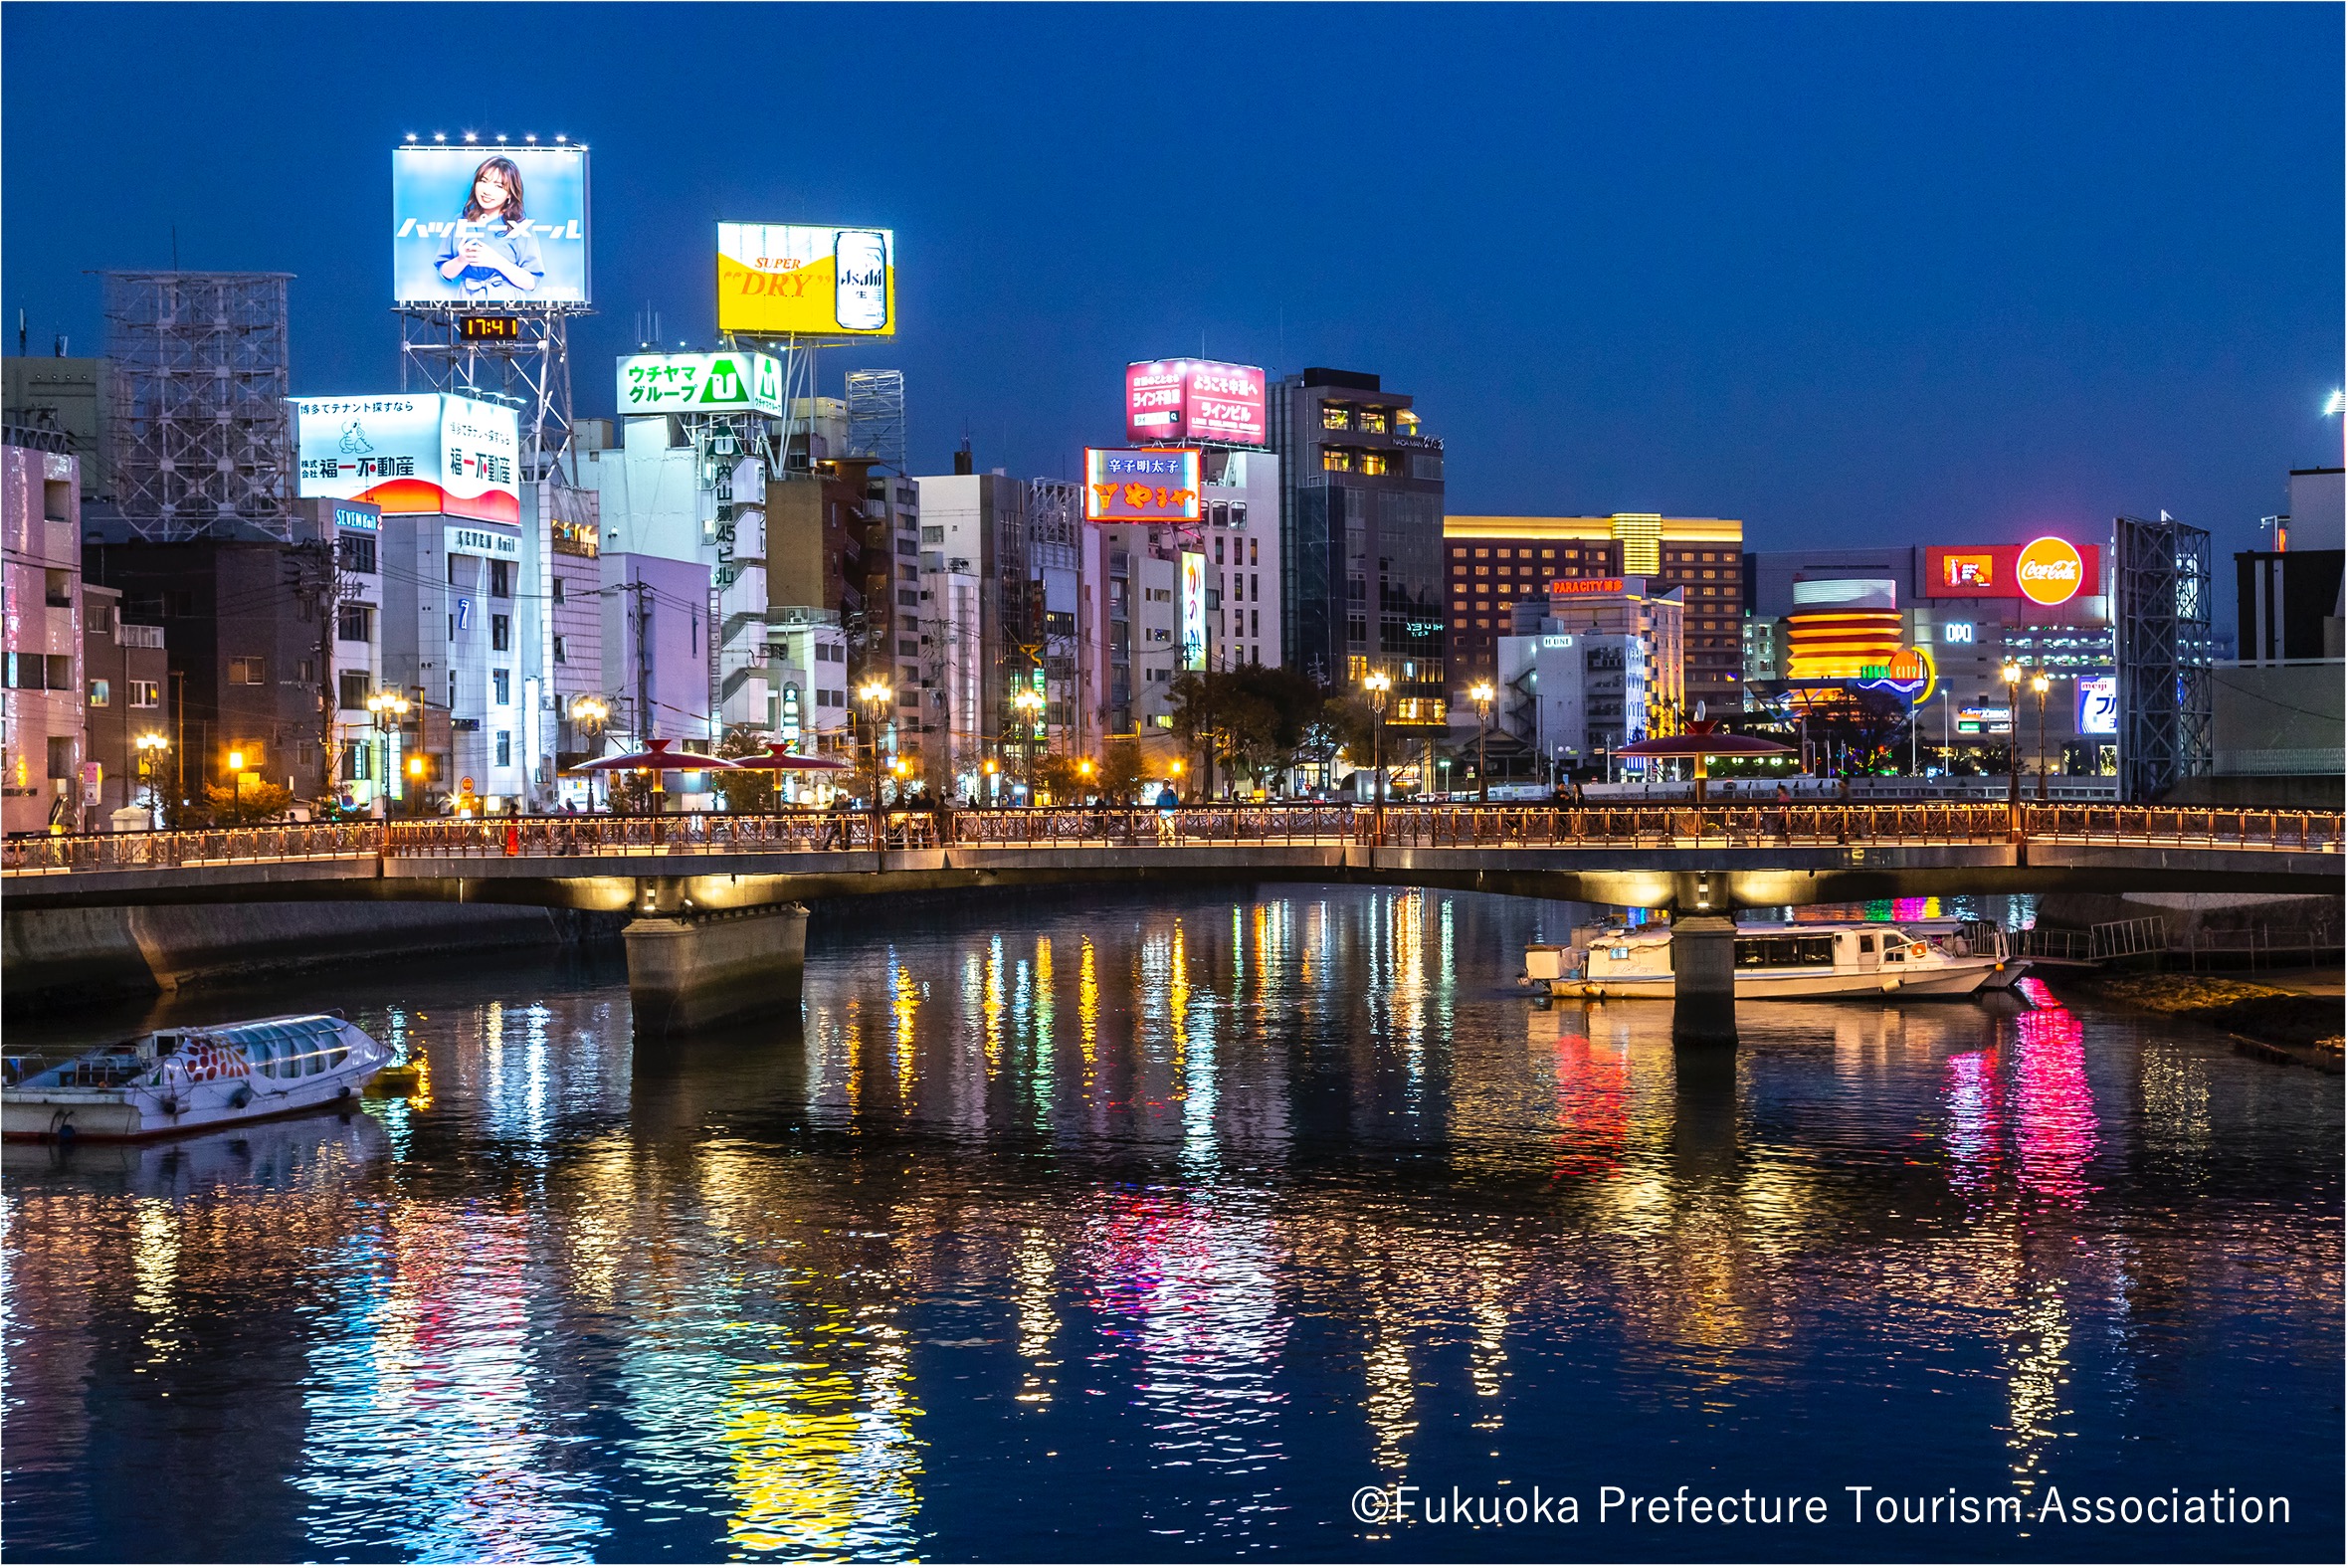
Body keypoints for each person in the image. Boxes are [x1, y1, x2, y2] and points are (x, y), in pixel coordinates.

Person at [436, 156, 544, 297]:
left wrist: (497, 261)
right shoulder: (461, 220)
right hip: (468, 300)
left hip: (508, 302)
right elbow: (444, 271)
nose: (487, 191)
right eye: (483, 181)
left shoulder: (519, 225)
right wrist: (461, 260)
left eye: (498, 186)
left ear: (510, 194)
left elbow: (531, 282)